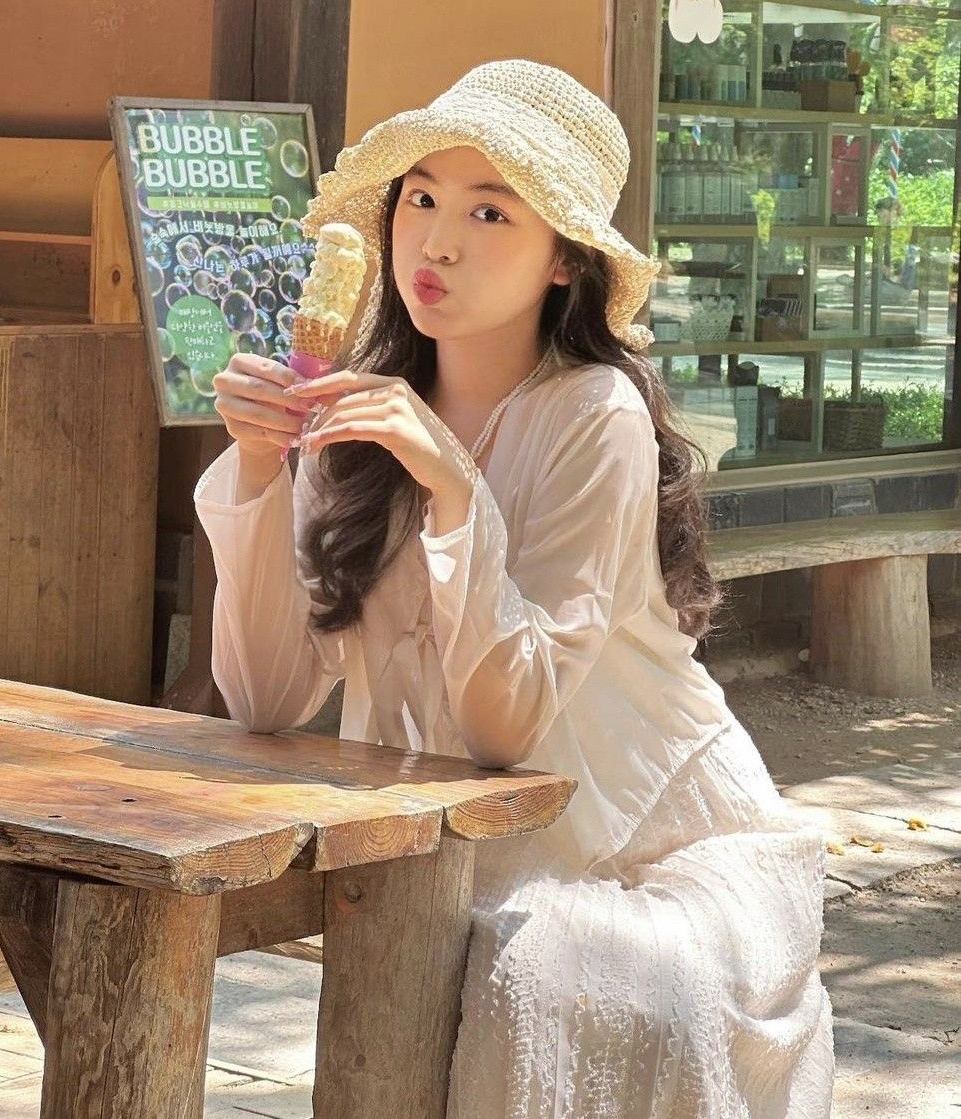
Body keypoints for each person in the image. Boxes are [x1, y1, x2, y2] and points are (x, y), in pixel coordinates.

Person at [195, 60, 834, 1117]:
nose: (437, 242)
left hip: (642, 844)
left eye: (490, 211)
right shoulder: (358, 412)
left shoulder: (596, 415)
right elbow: (264, 699)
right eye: (421, 199)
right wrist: (261, 468)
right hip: (454, 844)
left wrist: (455, 493)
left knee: (534, 976)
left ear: (563, 260)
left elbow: (507, 730)